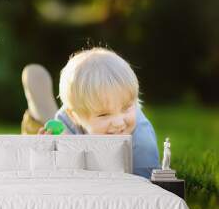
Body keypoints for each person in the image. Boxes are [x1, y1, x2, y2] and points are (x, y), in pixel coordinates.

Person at [25, 47, 159, 178]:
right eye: (104, 114)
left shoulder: (142, 143)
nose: (119, 123)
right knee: (48, 135)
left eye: (126, 108)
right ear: (74, 116)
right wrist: (48, 153)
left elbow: (144, 187)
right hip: (73, 132)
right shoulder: (67, 124)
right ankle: (37, 114)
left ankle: (42, 114)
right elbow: (60, 176)